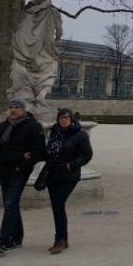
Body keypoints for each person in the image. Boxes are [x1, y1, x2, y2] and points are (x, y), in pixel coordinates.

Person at [0, 98, 46, 255]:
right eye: (11, 107)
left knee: (10, 203)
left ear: (24, 110)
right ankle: (17, 238)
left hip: (20, 171)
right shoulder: (3, 126)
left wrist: (23, 165)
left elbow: (39, 151)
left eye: (16, 107)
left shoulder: (33, 126)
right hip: (4, 170)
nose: (13, 110)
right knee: (11, 204)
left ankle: (3, 241)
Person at [44, 108, 93, 254]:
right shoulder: (54, 133)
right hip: (53, 174)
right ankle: (63, 239)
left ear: (71, 118)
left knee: (58, 204)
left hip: (69, 175)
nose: (63, 120)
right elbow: (48, 152)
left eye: (66, 117)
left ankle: (59, 240)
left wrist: (72, 164)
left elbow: (87, 154)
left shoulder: (80, 135)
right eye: (60, 118)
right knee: (56, 206)